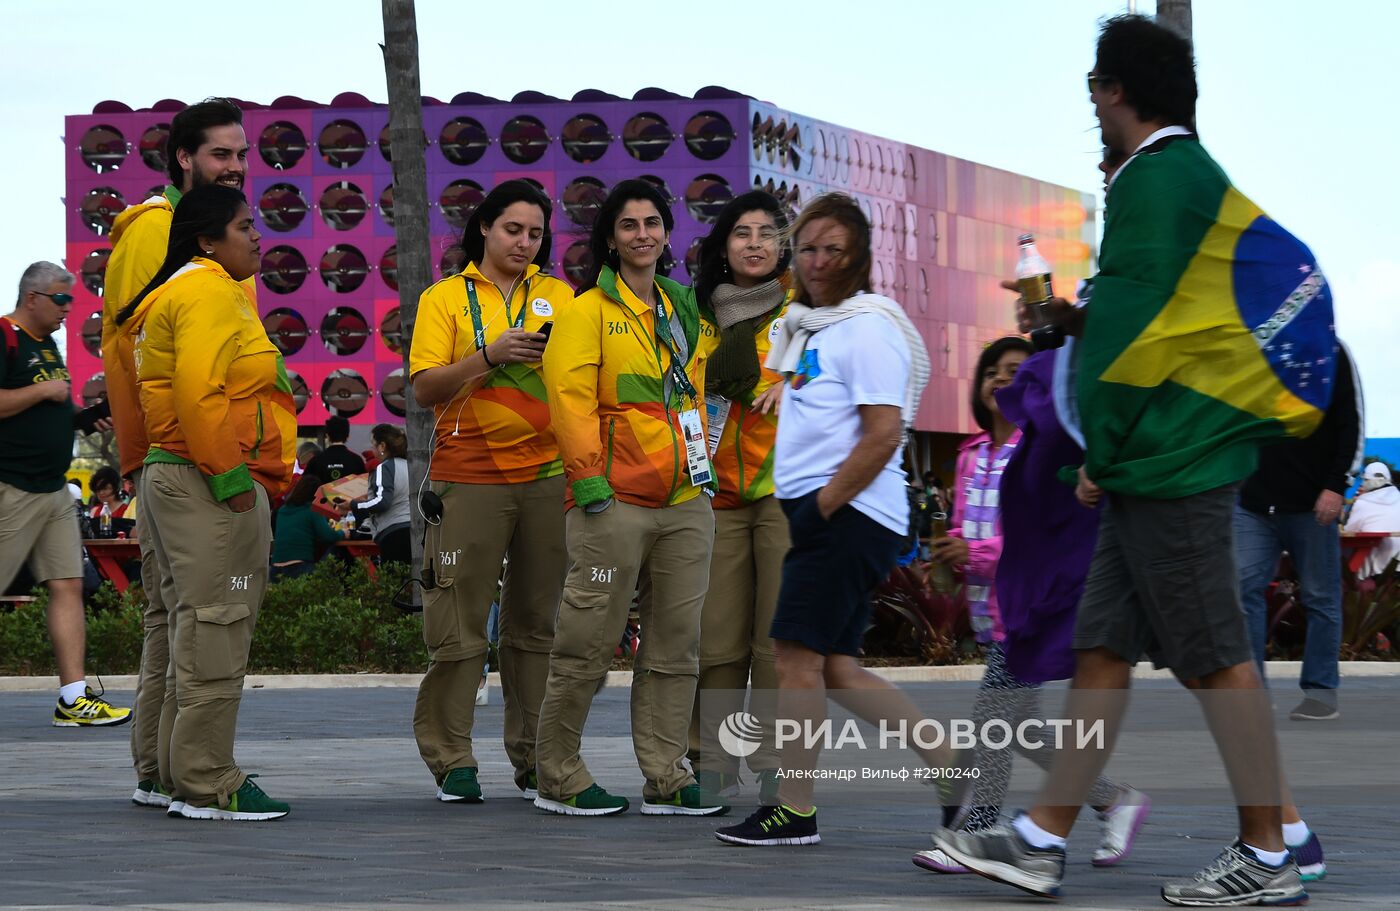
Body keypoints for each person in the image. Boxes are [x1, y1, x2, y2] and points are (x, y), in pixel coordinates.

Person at [935, 16, 1337, 906]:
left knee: (1216, 655)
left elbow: (1136, 340)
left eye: (1093, 87)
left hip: (1169, 465)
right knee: (1103, 646)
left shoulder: (1153, 180)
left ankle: (1268, 852)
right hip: (1154, 460)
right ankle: (1041, 838)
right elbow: (1146, 318)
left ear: (1110, 90)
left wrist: (1102, 453)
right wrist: (1074, 328)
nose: (1091, 103)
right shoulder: (1180, 177)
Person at [715, 191, 933, 847]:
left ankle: (795, 809)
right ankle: (953, 763)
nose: (814, 260)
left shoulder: (867, 328)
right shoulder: (810, 326)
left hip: (846, 512)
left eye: (830, 248)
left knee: (794, 659)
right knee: (833, 667)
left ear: (858, 255)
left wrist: (819, 509)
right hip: (828, 511)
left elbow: (883, 433)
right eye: (805, 247)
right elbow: (770, 389)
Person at [912, 336, 1146, 875]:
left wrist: (979, 551)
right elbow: (966, 529)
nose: (1001, 379)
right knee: (1022, 730)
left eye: (1016, 371)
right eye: (993, 370)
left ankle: (977, 828)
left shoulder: (1034, 450)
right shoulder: (970, 454)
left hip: (1026, 607)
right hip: (985, 610)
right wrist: (951, 557)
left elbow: (1037, 536)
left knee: (993, 720)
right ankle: (1113, 799)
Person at [537, 178, 723, 817]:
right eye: (628, 225)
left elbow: (697, 392)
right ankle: (557, 772)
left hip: (686, 499)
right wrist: (590, 483)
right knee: (587, 638)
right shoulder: (587, 310)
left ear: (668, 232)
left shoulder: (681, 309)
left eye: (652, 223)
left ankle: (667, 775)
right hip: (612, 499)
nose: (642, 234)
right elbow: (569, 400)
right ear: (610, 240)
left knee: (677, 643)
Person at [118, 183, 297, 821]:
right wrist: (230, 480)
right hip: (205, 478)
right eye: (246, 226)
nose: (257, 236)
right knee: (216, 623)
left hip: (171, 475)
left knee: (179, 624)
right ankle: (207, 780)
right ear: (207, 239)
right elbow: (199, 391)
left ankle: (164, 771)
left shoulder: (172, 291)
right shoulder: (209, 290)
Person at [104, 97, 251, 810]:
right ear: (184, 158)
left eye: (243, 155)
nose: (236, 168)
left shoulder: (207, 239)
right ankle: (174, 770)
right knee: (187, 614)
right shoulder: (159, 230)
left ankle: (159, 769)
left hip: (182, 454)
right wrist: (158, 455)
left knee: (178, 613)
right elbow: (138, 350)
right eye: (222, 154)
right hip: (177, 457)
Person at [408, 179, 573, 803]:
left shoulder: (561, 297)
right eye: (513, 229)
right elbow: (423, 390)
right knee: (458, 626)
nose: (524, 243)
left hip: (547, 477)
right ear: (484, 227)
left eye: (535, 233)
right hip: (468, 478)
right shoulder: (444, 299)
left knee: (536, 628)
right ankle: (452, 758)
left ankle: (536, 760)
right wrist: (490, 353)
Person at [687, 190, 792, 804]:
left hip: (785, 486)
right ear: (722, 247)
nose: (754, 244)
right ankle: (713, 760)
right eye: (741, 233)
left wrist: (797, 380)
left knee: (776, 639)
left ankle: (781, 762)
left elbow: (833, 372)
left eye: (766, 233)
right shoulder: (693, 316)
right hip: (714, 489)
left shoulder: (807, 309)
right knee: (717, 637)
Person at [0, 261, 129, 727]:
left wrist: (82, 416)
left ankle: (73, 698)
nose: (68, 310)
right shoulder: (5, 335)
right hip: (12, 486)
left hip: (53, 490)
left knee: (68, 585)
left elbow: (54, 404)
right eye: (61, 299)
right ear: (32, 297)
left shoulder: (47, 345)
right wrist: (44, 394)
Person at [1236, 343, 1362, 721]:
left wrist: (1338, 485)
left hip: (1312, 502)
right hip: (1253, 502)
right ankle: (1251, 697)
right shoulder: (1250, 345)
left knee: (1321, 597)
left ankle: (1321, 694)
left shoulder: (1331, 349)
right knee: (1242, 591)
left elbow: (1350, 421)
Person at [350, 423, 411, 565]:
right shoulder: (409, 465)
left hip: (393, 532)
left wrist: (353, 505)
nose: (372, 449)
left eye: (373, 444)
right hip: (413, 530)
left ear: (382, 446)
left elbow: (382, 502)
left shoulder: (385, 468)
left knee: (394, 583)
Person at [270, 473, 344, 580]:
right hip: (299, 569)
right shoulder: (312, 510)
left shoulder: (282, 510)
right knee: (337, 549)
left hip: (275, 570)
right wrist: (343, 533)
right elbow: (328, 536)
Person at [1345, 462, 1400, 578]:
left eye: (1365, 480)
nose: (1363, 483)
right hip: (1396, 567)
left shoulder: (1363, 503)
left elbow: (1348, 533)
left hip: (1376, 572)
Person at [306, 415, 366, 483]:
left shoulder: (315, 461)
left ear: (327, 436)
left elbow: (306, 487)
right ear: (347, 436)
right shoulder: (357, 461)